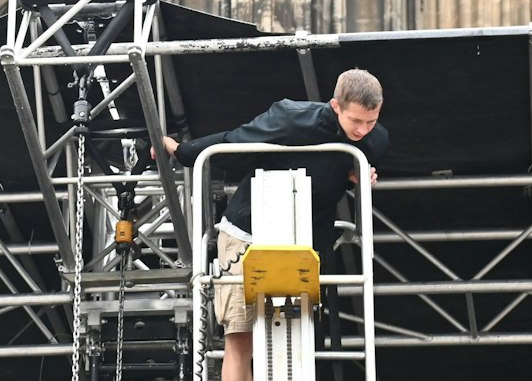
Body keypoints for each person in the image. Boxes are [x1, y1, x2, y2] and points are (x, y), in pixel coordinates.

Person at [160, 69, 389, 381]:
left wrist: (357, 177)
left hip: (305, 245)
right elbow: (233, 142)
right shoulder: (291, 118)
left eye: (371, 122)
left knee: (300, 339)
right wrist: (181, 151)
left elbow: (352, 171)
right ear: (336, 106)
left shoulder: (376, 141)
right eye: (356, 121)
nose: (363, 130)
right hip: (247, 234)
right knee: (241, 337)